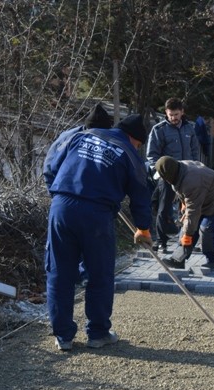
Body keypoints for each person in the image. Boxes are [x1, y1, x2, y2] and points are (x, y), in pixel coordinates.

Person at [43, 114, 153, 351]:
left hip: (62, 206)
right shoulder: (129, 153)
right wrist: (143, 228)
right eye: (139, 144)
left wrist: (58, 194)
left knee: (59, 270)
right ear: (135, 139)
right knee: (99, 272)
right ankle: (98, 333)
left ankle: (63, 336)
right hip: (97, 215)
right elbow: (140, 195)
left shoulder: (80, 136)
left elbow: (51, 164)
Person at [44, 103, 115, 287]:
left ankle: (82, 275)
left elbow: (48, 169)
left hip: (69, 202)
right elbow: (50, 169)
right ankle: (79, 277)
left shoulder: (73, 137)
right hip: (79, 203)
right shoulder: (71, 138)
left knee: (71, 258)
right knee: (74, 259)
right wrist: (58, 193)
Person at [155, 156, 214, 270]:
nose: (163, 179)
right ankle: (178, 259)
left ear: (169, 175)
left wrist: (188, 234)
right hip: (203, 196)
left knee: (205, 229)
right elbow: (183, 192)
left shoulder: (191, 181)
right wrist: (183, 203)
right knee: (187, 228)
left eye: (163, 177)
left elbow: (193, 212)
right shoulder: (178, 168)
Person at [146, 97, 201, 253]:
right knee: (164, 209)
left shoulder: (190, 129)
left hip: (188, 174)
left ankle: (186, 240)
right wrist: (161, 173)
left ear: (182, 112)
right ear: (166, 113)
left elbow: (195, 150)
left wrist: (196, 167)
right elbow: (152, 156)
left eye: (176, 114)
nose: (174, 118)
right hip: (167, 177)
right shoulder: (159, 130)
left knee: (190, 209)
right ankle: (161, 241)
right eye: (171, 115)